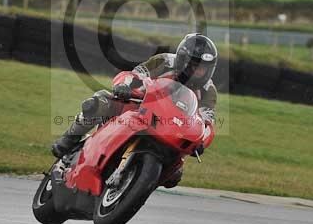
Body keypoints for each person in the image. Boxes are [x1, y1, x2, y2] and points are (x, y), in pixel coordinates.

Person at [50, 33, 219, 188]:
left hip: (169, 128)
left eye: (203, 68)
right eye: (195, 66)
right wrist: (124, 86)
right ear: (183, 59)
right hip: (138, 106)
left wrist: (202, 141)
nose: (198, 72)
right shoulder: (165, 62)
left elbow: (206, 121)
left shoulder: (208, 90)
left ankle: (135, 185)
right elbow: (137, 74)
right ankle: (70, 139)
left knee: (175, 174)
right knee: (99, 102)